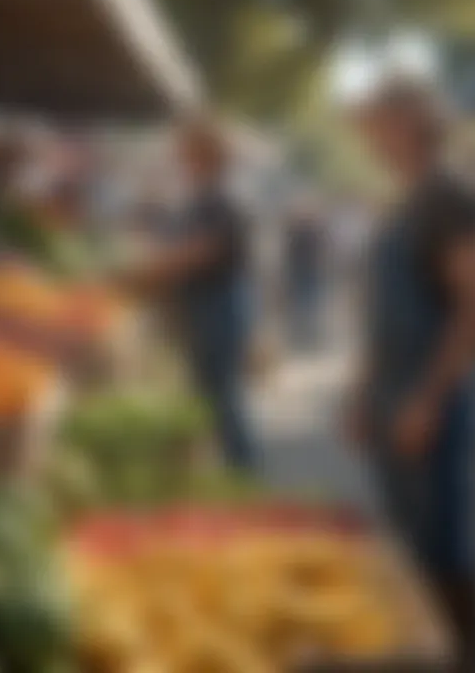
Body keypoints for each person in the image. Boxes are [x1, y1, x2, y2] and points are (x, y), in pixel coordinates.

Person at [345, 78, 475, 670]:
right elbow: (379, 315)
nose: (367, 135)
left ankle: (461, 658)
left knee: (441, 551)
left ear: (409, 122)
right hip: (389, 393)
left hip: (430, 395)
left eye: (376, 121)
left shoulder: (451, 196)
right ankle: (421, 657)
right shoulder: (401, 197)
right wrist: (360, 394)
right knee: (406, 545)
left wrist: (428, 401)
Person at [126, 117, 256, 471]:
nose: (179, 157)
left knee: (221, 401)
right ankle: (233, 470)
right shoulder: (203, 197)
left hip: (217, 308)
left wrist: (142, 272)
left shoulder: (223, 199)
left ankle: (244, 474)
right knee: (209, 397)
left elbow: (199, 253)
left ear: (205, 154)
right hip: (204, 307)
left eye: (185, 151)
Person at [284, 199, 326, 350]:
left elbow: (320, 252)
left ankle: (308, 336)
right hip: (301, 273)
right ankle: (303, 336)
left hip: (308, 273)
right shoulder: (297, 232)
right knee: (303, 305)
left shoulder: (309, 231)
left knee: (308, 305)